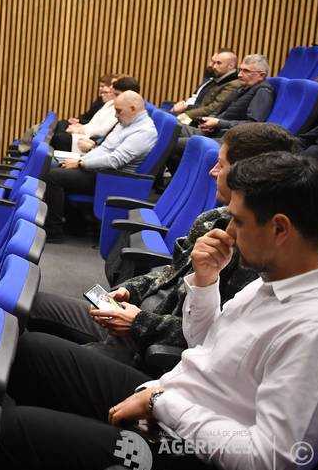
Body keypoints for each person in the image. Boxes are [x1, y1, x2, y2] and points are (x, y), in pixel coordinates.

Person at [0, 152, 318, 470]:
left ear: (280, 228)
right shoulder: (276, 277)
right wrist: (205, 281)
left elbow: (270, 469)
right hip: (171, 397)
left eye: (239, 221)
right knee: (32, 354)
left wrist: (160, 403)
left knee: (14, 432)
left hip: (194, 459)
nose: (229, 231)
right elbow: (203, 344)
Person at [28, 123, 300, 370]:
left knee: (34, 354)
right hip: (137, 320)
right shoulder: (213, 220)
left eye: (222, 164)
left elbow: (214, 337)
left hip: (152, 352)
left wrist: (138, 324)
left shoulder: (260, 251)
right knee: (30, 304)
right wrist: (130, 289)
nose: (212, 172)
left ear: (248, 173)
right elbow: (171, 272)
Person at [45, 91, 158, 240]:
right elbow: (104, 149)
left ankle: (55, 231)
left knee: (54, 176)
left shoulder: (144, 132)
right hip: (102, 172)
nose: (116, 116)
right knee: (56, 166)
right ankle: (74, 226)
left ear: (133, 108)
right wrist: (81, 159)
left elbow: (115, 160)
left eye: (118, 111)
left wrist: (80, 163)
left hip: (113, 179)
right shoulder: (126, 123)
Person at [190, 54, 273, 137]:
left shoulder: (263, 91)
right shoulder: (242, 87)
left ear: (261, 75)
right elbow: (223, 112)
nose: (239, 75)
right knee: (177, 128)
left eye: (246, 71)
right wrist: (212, 123)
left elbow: (253, 125)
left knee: (178, 138)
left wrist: (219, 123)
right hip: (214, 132)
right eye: (240, 70)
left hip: (228, 139)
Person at [52, 76, 139, 154]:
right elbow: (96, 124)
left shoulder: (126, 113)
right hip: (95, 146)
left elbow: (106, 136)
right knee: (60, 131)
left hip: (94, 145)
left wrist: (90, 149)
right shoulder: (114, 104)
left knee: (59, 138)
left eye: (117, 94)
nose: (113, 95)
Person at [170, 49, 241, 121]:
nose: (214, 66)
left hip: (203, 120)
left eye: (219, 63)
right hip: (195, 112)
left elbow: (213, 108)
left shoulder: (232, 84)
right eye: (214, 62)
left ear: (231, 66)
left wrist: (185, 114)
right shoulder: (218, 77)